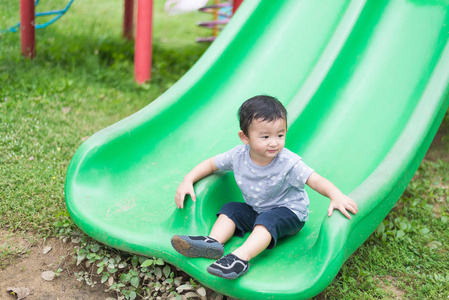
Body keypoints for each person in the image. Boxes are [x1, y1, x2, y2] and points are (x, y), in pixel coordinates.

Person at [171, 95, 358, 279]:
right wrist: (188, 179)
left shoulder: (288, 162)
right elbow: (212, 164)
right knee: (231, 209)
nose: (274, 142)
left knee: (269, 219)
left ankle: (240, 258)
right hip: (257, 209)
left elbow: (315, 180)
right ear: (245, 137)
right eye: (265, 136)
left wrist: (336, 195)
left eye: (280, 135)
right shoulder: (238, 156)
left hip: (290, 213)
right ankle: (212, 243)